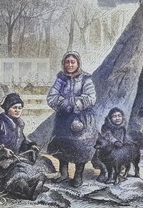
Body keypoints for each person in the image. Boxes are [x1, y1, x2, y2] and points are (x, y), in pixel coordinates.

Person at [46, 51, 97, 188]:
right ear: (64, 63)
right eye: (67, 62)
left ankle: (78, 175)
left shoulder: (86, 79)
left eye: (72, 62)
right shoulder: (60, 78)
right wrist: (64, 103)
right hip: (63, 118)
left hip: (82, 118)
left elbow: (91, 97)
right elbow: (51, 97)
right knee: (62, 145)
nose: (70, 65)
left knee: (81, 147)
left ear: (78, 63)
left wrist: (75, 102)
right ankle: (64, 174)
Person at [0, 93, 38, 178]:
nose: (17, 110)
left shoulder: (19, 125)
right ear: (7, 108)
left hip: (12, 161)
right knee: (19, 173)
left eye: (20, 108)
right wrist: (2, 149)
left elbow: (22, 142)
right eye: (14, 108)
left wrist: (30, 146)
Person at [91, 107, 128, 183]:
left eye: (119, 116)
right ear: (110, 118)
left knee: (119, 160)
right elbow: (108, 136)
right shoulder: (106, 127)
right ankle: (104, 172)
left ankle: (116, 173)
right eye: (114, 116)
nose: (117, 118)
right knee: (102, 160)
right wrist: (115, 141)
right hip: (106, 150)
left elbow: (124, 139)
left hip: (117, 150)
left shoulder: (123, 128)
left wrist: (125, 145)